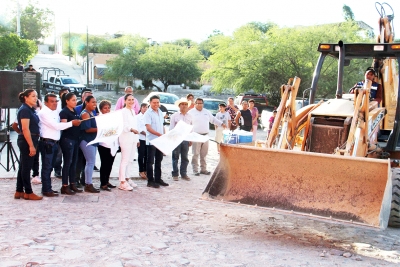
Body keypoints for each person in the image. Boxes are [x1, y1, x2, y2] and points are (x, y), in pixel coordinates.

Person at [37, 93, 81, 197]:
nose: (54, 103)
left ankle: (49, 188)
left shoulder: (55, 112)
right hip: (47, 142)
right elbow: (56, 126)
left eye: (56, 101)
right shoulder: (44, 113)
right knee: (47, 167)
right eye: (52, 101)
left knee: (51, 166)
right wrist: (71, 123)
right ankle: (46, 189)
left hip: (55, 142)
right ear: (46, 102)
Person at [14, 89, 42, 200]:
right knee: (26, 167)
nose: (35, 98)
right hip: (28, 140)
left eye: (36, 96)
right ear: (26, 97)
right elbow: (25, 128)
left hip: (32, 138)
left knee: (23, 166)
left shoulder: (31, 109)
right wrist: (31, 145)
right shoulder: (25, 110)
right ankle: (28, 192)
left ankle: (19, 190)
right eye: (33, 96)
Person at [188, 98, 226, 176]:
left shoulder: (206, 112)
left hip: (205, 136)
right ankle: (195, 170)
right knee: (195, 154)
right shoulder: (191, 112)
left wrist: (221, 124)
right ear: (195, 104)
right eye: (197, 103)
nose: (199, 105)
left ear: (203, 104)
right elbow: (188, 124)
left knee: (204, 154)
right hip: (196, 135)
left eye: (201, 103)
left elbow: (213, 120)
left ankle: (203, 169)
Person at [59, 92, 84, 195]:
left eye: (75, 100)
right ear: (67, 101)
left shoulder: (74, 111)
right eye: (73, 100)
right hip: (67, 139)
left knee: (74, 163)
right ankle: (65, 185)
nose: (75, 102)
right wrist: (73, 123)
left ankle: (72, 183)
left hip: (75, 139)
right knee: (67, 163)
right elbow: (63, 125)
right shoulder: (64, 112)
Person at [144, 95, 169, 188]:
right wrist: (159, 134)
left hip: (160, 141)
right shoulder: (148, 113)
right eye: (154, 102)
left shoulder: (160, 112)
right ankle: (150, 181)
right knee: (150, 162)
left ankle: (158, 179)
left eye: (157, 102)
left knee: (159, 160)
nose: (156, 104)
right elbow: (148, 128)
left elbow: (162, 125)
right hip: (151, 141)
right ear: (150, 103)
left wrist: (164, 135)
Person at [118, 94, 140, 191]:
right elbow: (124, 125)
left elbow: (135, 125)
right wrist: (131, 129)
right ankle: (122, 182)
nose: (131, 102)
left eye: (133, 100)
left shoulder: (133, 111)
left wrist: (137, 139)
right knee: (125, 160)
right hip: (125, 138)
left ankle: (127, 177)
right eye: (129, 100)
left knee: (130, 160)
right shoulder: (123, 112)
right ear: (125, 101)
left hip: (133, 139)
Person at [79, 95, 100, 193]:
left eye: (95, 102)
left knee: (91, 162)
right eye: (92, 102)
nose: (95, 104)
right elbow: (87, 129)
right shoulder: (85, 114)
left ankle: (88, 182)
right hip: (87, 140)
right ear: (86, 102)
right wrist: (101, 129)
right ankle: (88, 184)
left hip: (93, 140)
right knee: (90, 162)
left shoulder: (93, 112)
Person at [170, 98, 193, 181]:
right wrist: (172, 139)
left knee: (185, 157)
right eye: (182, 104)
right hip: (176, 139)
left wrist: (191, 139)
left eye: (186, 104)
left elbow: (191, 128)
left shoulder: (190, 116)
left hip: (186, 139)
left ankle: (184, 174)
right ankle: (175, 174)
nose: (184, 106)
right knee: (175, 157)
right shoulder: (174, 116)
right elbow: (171, 128)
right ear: (179, 106)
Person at [97, 100, 118, 191]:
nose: (107, 110)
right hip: (103, 144)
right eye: (105, 108)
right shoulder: (99, 118)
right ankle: (103, 183)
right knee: (104, 164)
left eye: (109, 108)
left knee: (110, 163)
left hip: (112, 144)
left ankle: (107, 180)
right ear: (101, 109)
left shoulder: (112, 117)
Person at [137, 103, 148, 179]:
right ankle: (141, 170)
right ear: (141, 108)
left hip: (148, 139)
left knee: (147, 155)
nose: (145, 109)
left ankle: (146, 170)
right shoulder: (137, 117)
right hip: (141, 138)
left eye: (146, 107)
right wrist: (146, 134)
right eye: (143, 107)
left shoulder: (148, 116)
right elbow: (139, 129)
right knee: (141, 155)